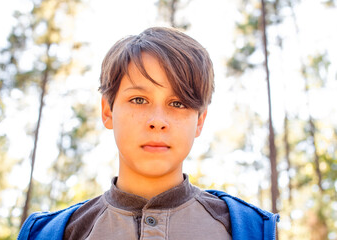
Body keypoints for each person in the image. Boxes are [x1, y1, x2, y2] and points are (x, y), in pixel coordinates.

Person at [18, 27, 279, 240]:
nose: (158, 121)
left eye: (177, 103)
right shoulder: (56, 233)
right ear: (108, 111)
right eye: (139, 100)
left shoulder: (248, 229)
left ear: (200, 121)